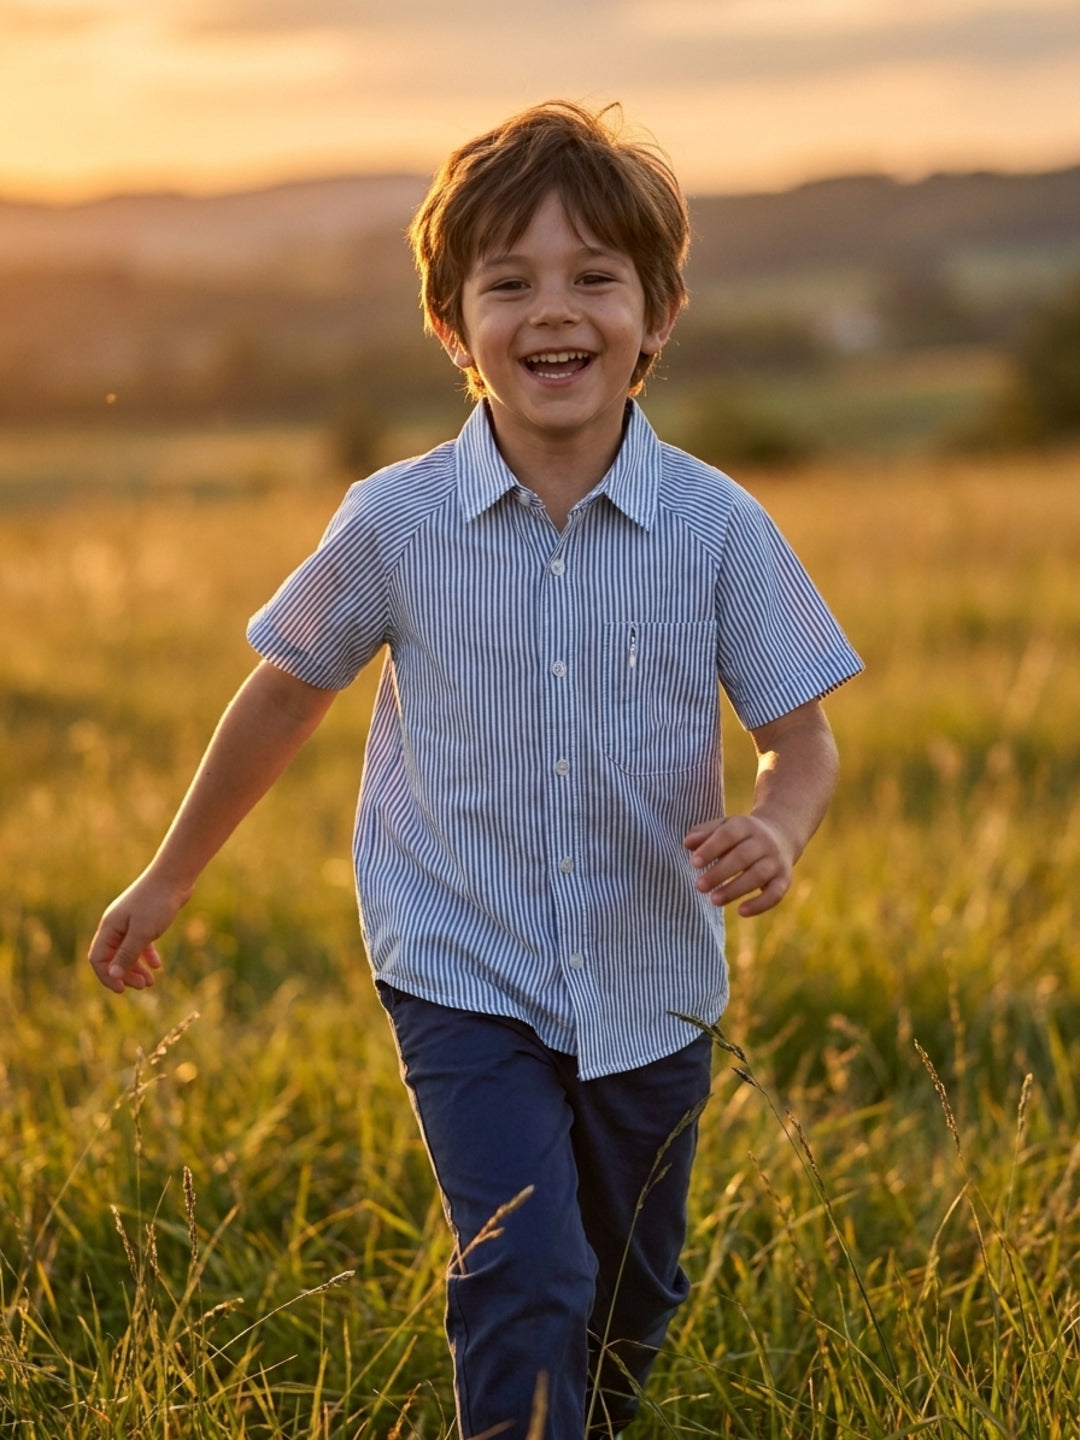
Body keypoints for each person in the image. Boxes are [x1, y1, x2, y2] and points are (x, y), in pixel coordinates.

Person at [89, 101, 862, 1438]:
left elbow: (803, 736)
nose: (552, 312)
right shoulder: (394, 522)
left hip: (650, 980)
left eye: (594, 279)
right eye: (509, 283)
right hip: (459, 963)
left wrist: (780, 830)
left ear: (659, 313)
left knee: (630, 1292)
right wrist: (167, 877)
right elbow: (284, 695)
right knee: (526, 1271)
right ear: (453, 325)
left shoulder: (717, 526)